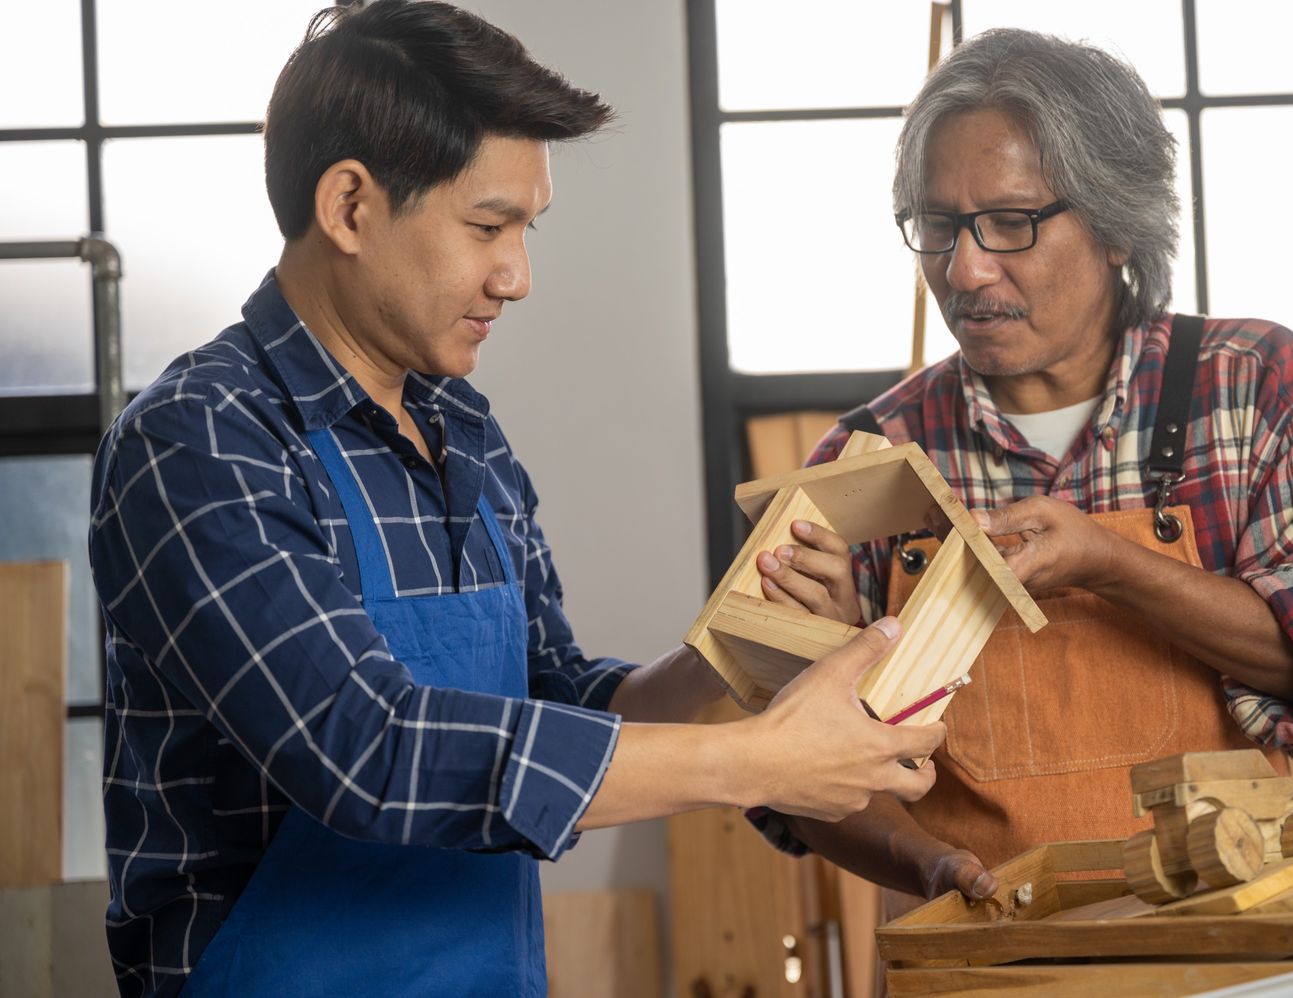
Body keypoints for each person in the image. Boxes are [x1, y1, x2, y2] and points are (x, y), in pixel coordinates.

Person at [86, 3, 944, 995]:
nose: (519, 276)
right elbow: (367, 748)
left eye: (526, 228)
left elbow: (561, 700)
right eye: (488, 225)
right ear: (350, 207)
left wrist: (740, 639)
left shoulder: (466, 434)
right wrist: (760, 761)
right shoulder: (200, 437)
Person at [752, 27, 1293, 911]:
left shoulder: (1256, 388)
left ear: (1118, 227)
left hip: (1231, 955)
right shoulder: (870, 458)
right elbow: (788, 774)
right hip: (981, 960)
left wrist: (1111, 564)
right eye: (938, 226)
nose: (964, 268)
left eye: (1011, 224)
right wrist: (920, 854)